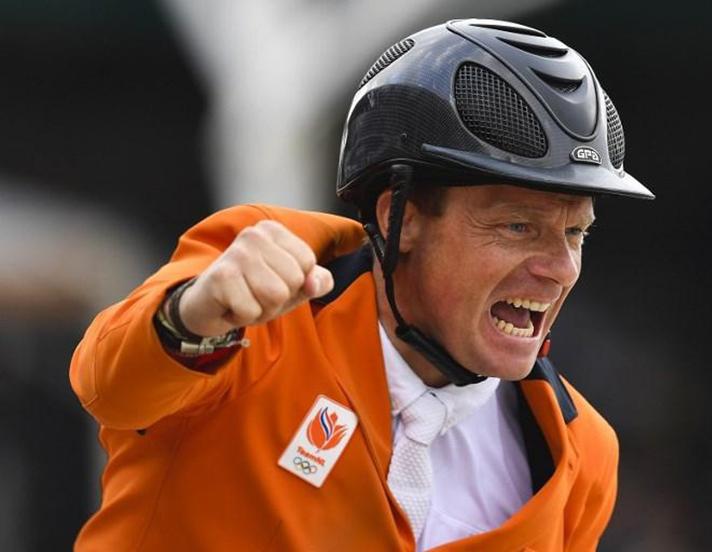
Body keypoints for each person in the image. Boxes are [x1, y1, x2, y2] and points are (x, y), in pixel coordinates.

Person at [70, 18, 653, 551]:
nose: (558, 267)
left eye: (575, 233)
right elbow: (110, 386)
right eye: (518, 226)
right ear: (404, 217)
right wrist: (191, 317)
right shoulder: (260, 311)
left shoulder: (583, 458)